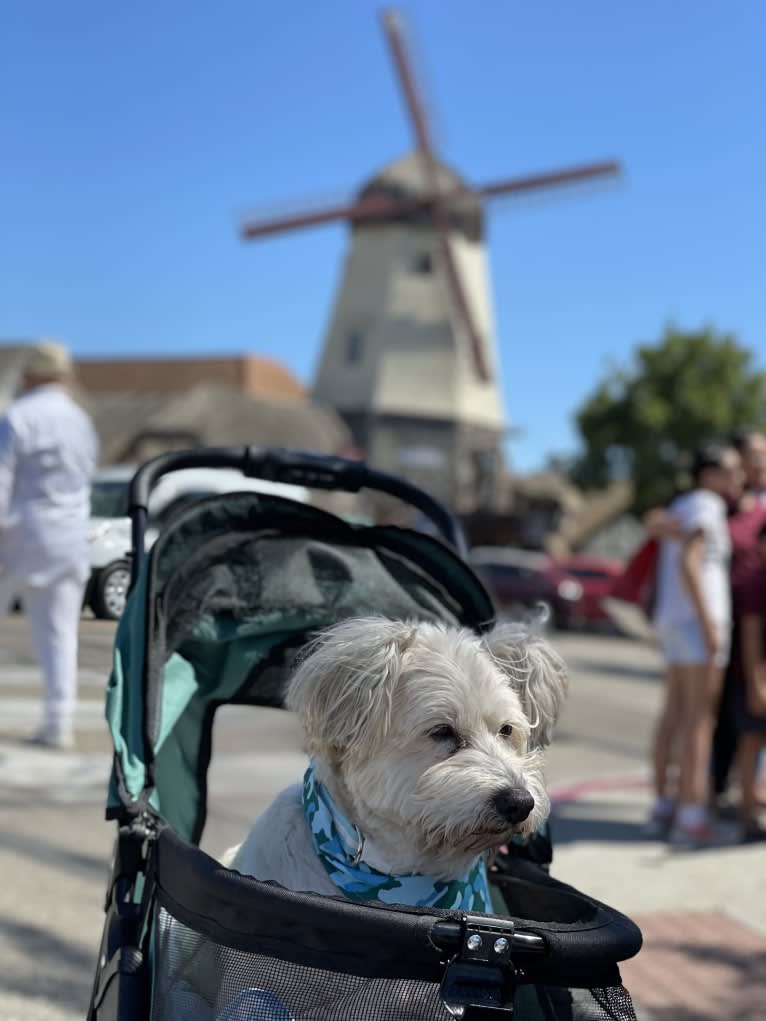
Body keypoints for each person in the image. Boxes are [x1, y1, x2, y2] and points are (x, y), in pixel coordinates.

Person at [0, 341, 98, 749]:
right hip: (69, 537)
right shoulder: (81, 422)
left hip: (19, 534)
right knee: (60, 635)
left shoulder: (18, 417)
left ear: (31, 375)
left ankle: (57, 723)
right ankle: (59, 722)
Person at [647, 443, 744, 845]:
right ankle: (690, 815)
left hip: (674, 621)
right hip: (697, 623)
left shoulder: (684, 504)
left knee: (674, 715)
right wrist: (710, 624)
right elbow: (692, 562)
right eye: (731, 470)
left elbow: (655, 525)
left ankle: (663, 807)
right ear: (709, 474)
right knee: (700, 720)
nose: (738, 478)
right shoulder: (707, 505)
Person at [711, 429, 766, 802]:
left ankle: (749, 792)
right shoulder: (715, 506)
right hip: (730, 621)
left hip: (755, 622)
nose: (760, 461)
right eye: (753, 454)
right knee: (725, 719)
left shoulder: (760, 508)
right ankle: (714, 790)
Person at [732, 522, 766, 841]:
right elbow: (751, 636)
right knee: (752, 742)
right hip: (755, 679)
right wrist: (757, 683)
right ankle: (747, 814)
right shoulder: (756, 582)